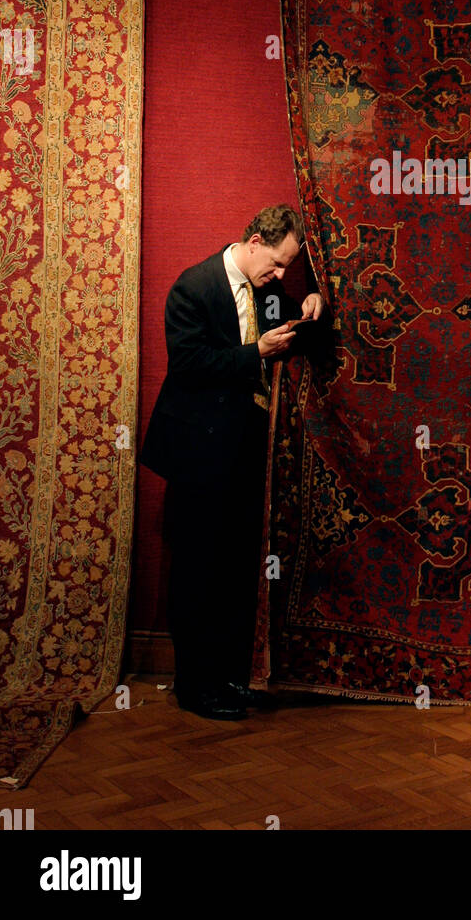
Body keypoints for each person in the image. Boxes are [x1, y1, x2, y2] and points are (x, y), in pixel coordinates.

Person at [140, 205, 326, 720]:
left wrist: (310, 305)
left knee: (231, 570)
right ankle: (194, 686)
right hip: (197, 453)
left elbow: (286, 331)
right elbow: (190, 364)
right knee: (197, 570)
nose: (281, 276)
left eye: (288, 268)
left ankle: (226, 678)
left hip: (242, 451)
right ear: (253, 241)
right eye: (279, 264)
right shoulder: (193, 287)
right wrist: (255, 355)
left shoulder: (266, 291)